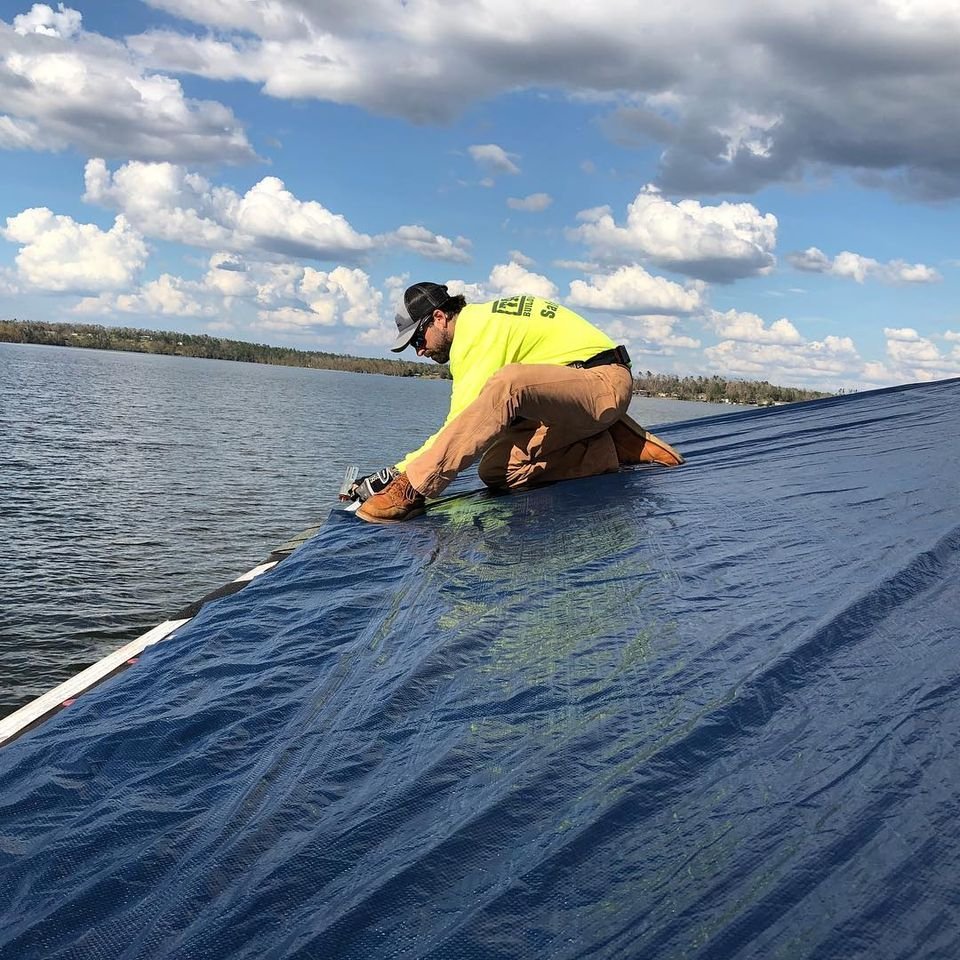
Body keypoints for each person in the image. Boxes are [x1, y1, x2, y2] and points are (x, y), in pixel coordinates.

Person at [353, 282, 684, 523]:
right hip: (570, 398)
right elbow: (476, 427)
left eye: (417, 339)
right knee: (496, 470)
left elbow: (459, 425)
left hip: (602, 382)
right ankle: (612, 447)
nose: (419, 351)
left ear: (439, 317)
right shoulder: (484, 322)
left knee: (508, 385)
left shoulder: (476, 332)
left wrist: (398, 474)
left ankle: (411, 492)